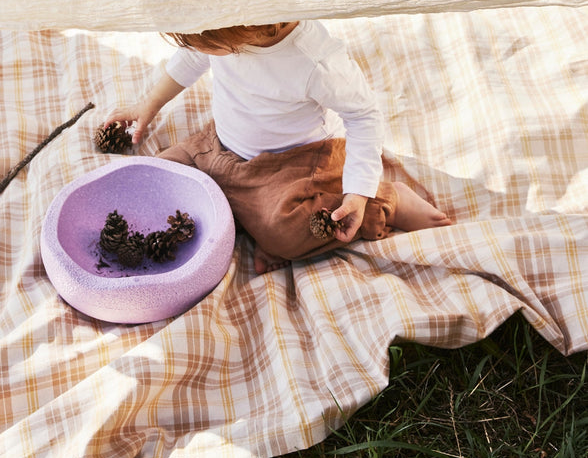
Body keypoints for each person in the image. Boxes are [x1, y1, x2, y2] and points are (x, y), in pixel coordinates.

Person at [105, 21, 451, 273]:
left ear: (248, 25)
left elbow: (364, 116)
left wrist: (358, 192)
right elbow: (193, 57)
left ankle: (387, 201)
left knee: (284, 233)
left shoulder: (313, 61)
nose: (196, 47)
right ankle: (239, 216)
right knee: (156, 176)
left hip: (295, 166)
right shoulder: (220, 30)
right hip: (219, 146)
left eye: (202, 41)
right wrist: (148, 105)